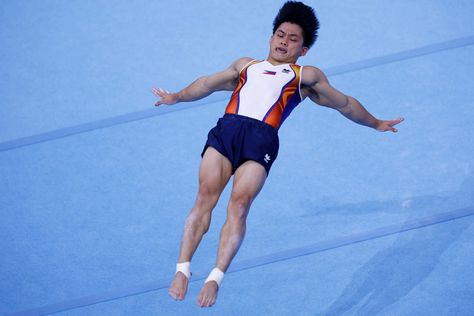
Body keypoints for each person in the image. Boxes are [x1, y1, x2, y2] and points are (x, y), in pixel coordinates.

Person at [153, 1, 403, 308]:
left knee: (240, 205)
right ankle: (182, 269)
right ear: (271, 37)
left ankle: (215, 278)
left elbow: (345, 103)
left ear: (304, 49)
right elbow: (207, 84)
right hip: (227, 131)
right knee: (205, 196)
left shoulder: (305, 77)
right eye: (280, 34)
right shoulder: (245, 66)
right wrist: (177, 96)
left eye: (293, 39)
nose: (284, 41)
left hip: (261, 142)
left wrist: (375, 122)